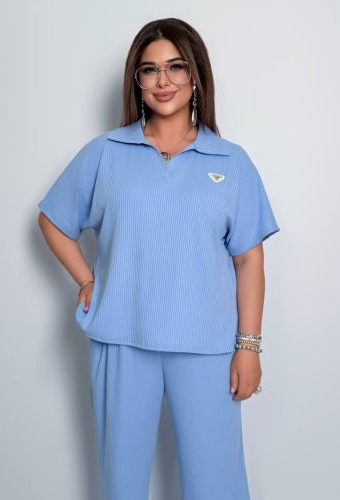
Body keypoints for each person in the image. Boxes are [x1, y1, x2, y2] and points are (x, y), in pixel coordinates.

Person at [37, 17, 280, 500]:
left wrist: (249, 346)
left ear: (196, 76)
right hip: (121, 338)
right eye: (149, 70)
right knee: (122, 485)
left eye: (176, 67)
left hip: (207, 347)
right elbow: (53, 219)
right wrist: (87, 280)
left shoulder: (231, 162)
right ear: (137, 81)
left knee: (217, 485)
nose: (163, 80)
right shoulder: (106, 153)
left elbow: (249, 261)